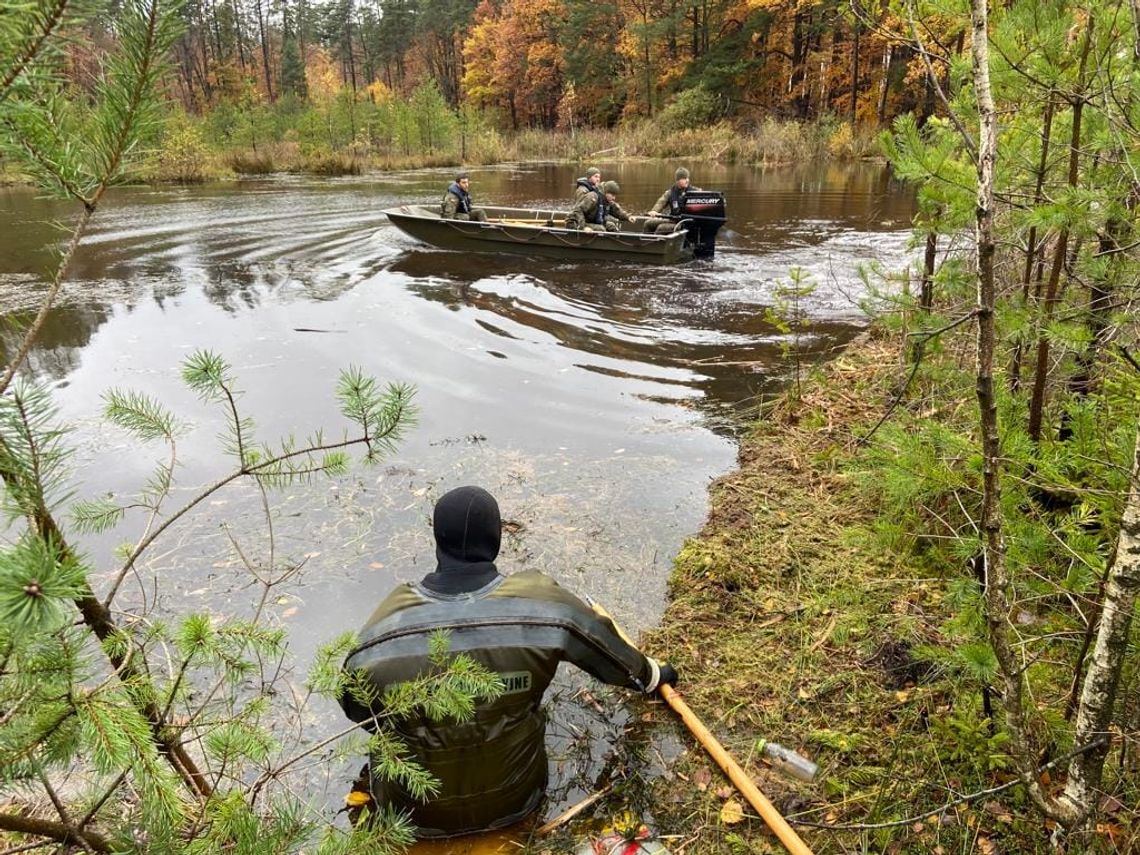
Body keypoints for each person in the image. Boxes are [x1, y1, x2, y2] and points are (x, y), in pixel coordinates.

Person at [339, 486, 677, 839]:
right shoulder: (542, 606)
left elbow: (357, 711)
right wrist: (654, 675)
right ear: (495, 540)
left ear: (438, 540)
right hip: (516, 800)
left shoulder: (382, 632)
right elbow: (612, 657)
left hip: (411, 816)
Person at [643, 166, 698, 235]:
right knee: (648, 223)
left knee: (661, 228)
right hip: (673, 220)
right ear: (677, 180)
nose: (687, 180)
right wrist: (654, 211)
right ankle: (645, 240)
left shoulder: (695, 192)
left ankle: (656, 241)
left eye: (687, 178)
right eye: (684, 178)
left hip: (685, 222)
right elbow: (661, 202)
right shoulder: (670, 192)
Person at [565, 180, 634, 232]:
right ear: (606, 192)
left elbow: (616, 210)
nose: (614, 198)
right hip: (575, 222)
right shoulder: (593, 197)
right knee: (601, 229)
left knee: (611, 226)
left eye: (615, 196)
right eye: (612, 195)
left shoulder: (606, 200)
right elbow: (578, 210)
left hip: (589, 221)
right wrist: (583, 228)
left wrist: (627, 217)